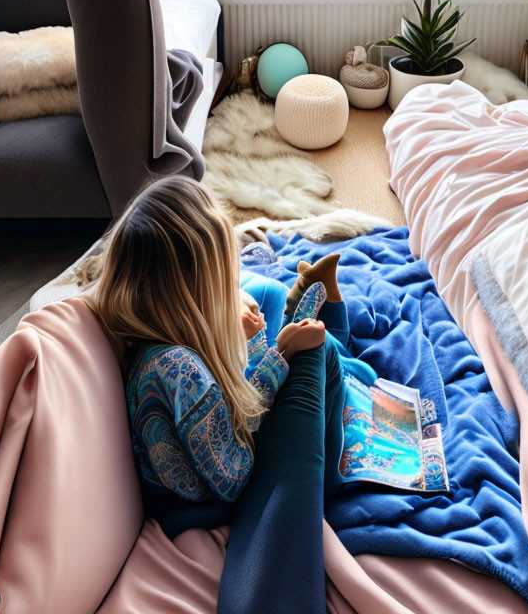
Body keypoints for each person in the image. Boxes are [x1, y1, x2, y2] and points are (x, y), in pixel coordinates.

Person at [89, 175, 350, 614]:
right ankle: (329, 321)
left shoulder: (150, 341)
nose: (231, 281)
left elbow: (216, 413)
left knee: (261, 294)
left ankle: (310, 313)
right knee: (316, 352)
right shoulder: (180, 372)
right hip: (233, 493)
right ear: (192, 293)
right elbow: (234, 471)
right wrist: (278, 355)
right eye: (222, 279)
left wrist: (242, 335)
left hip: (214, 454)